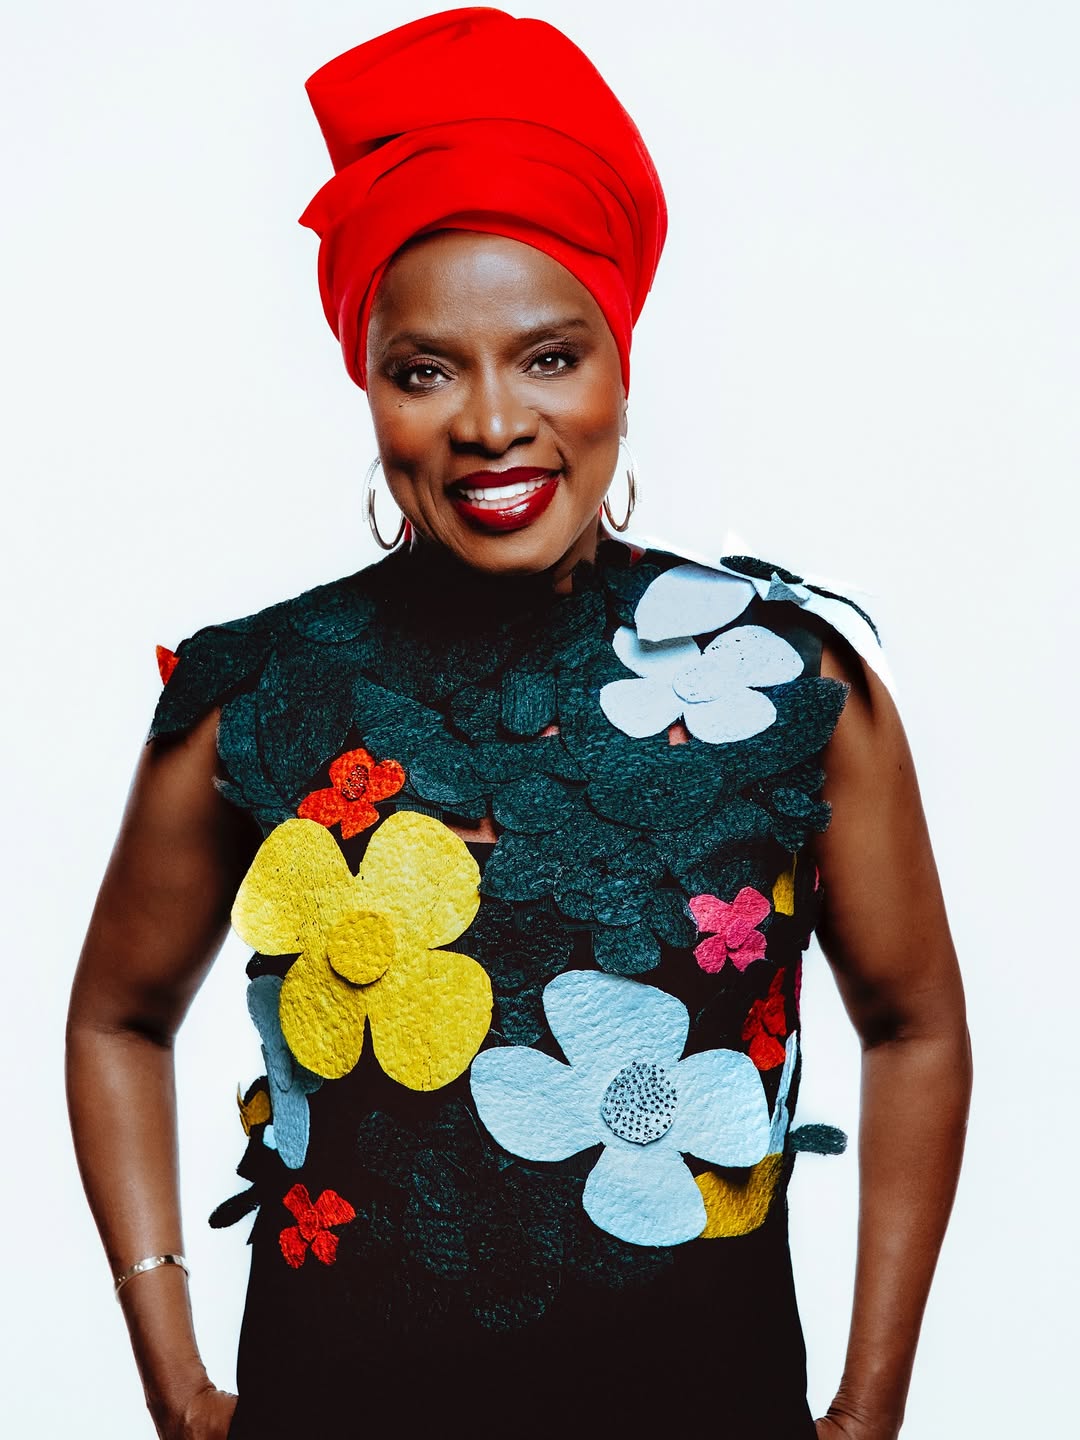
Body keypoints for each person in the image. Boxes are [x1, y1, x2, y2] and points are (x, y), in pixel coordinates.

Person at [66, 10, 971, 1438]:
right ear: (369, 386)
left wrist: (870, 1412)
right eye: (425, 370)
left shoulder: (791, 685)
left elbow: (916, 1024)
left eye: (549, 356)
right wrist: (175, 1381)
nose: (492, 422)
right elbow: (118, 1014)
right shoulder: (258, 694)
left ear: (620, 363)